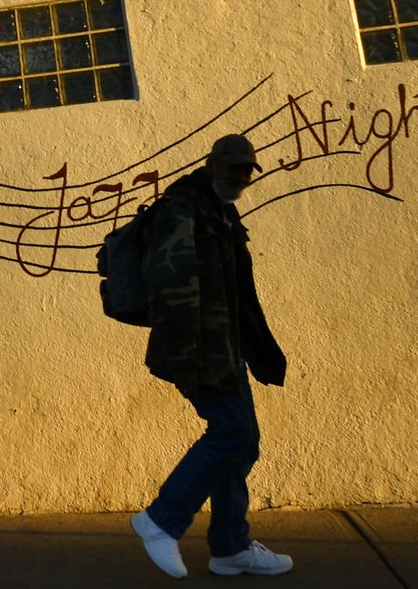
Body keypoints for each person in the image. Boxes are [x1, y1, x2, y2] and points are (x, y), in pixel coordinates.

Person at [130, 133, 293, 579]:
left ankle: (230, 548)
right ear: (211, 165)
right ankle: (162, 520)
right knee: (232, 433)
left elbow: (239, 291)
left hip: (227, 348)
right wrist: (187, 359)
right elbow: (170, 288)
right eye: (232, 167)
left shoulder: (221, 212)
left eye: (246, 170)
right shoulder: (181, 209)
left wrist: (257, 347)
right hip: (199, 350)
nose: (240, 177)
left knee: (243, 443)